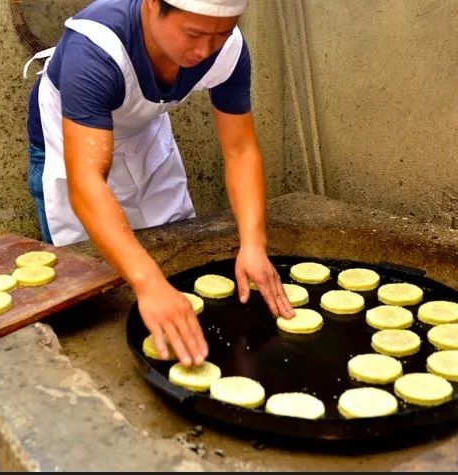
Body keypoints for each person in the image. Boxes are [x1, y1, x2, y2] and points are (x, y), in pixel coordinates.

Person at [24, 0, 295, 367]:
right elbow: (87, 182)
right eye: (194, 34)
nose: (204, 50)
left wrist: (253, 243)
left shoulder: (226, 49)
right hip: (71, 141)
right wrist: (148, 284)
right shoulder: (95, 50)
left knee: (172, 252)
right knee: (92, 284)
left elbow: (241, 150)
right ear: (153, 5)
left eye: (221, 33)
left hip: (142, 134)